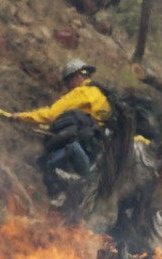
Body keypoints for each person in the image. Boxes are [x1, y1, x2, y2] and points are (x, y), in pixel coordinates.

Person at [9, 58, 113, 206]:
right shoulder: (100, 93)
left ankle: (61, 194)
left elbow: (51, 115)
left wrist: (22, 117)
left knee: (47, 161)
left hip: (88, 145)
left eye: (68, 82)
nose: (67, 87)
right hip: (103, 145)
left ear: (77, 76)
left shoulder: (81, 93)